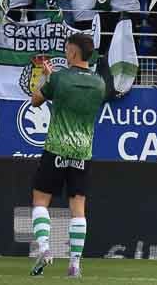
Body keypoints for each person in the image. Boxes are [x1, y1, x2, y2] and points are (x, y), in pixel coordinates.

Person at [27, 33, 107, 279]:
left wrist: (44, 75)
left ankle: (44, 248)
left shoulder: (60, 78)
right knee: (78, 208)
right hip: (83, 151)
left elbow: (36, 100)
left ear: (73, 52)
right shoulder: (100, 83)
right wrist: (55, 81)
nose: (64, 52)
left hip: (56, 147)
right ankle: (74, 263)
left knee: (41, 201)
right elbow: (74, 96)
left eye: (66, 48)